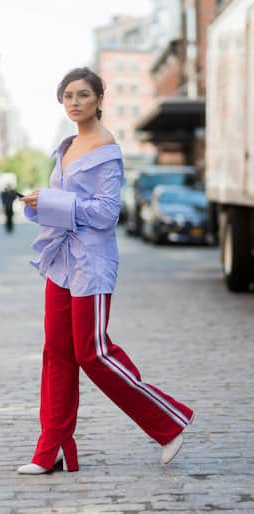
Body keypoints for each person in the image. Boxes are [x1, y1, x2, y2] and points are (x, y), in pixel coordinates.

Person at [17, 67, 195, 475]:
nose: (74, 102)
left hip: (92, 263)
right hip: (61, 262)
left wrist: (51, 202)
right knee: (56, 353)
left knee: (92, 352)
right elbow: (66, 207)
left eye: (82, 95)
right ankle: (53, 448)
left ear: (99, 98)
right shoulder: (66, 147)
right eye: (67, 97)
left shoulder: (106, 149)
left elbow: (105, 213)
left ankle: (168, 425)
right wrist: (39, 203)